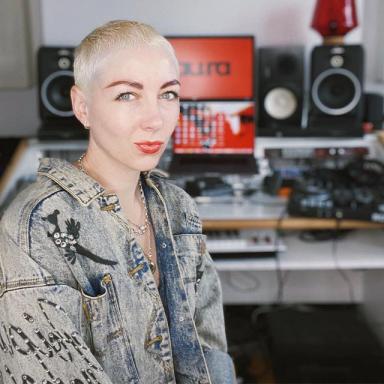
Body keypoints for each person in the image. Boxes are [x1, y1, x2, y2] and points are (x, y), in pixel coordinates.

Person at [0, 20, 236, 384]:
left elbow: (209, 351)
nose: (155, 119)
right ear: (82, 106)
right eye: (127, 95)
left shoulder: (178, 207)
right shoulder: (35, 227)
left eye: (168, 94)